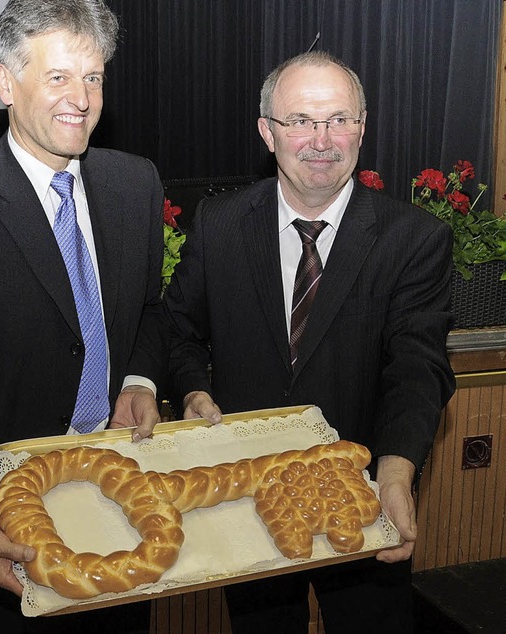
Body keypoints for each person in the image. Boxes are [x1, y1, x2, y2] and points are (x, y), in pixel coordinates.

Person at [0, 0, 166, 631]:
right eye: (58, 77)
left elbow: (150, 312)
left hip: (120, 506)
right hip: (10, 531)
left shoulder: (136, 185)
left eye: (94, 77)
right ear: (5, 83)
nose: (82, 98)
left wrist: (137, 380)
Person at [164, 50, 456, 633]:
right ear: (267, 132)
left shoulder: (415, 239)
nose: (321, 140)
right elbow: (178, 332)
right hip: (249, 501)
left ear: (362, 127)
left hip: (366, 500)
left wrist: (396, 474)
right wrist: (193, 389)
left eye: (339, 119)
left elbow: (417, 369)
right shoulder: (218, 225)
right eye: (300, 121)